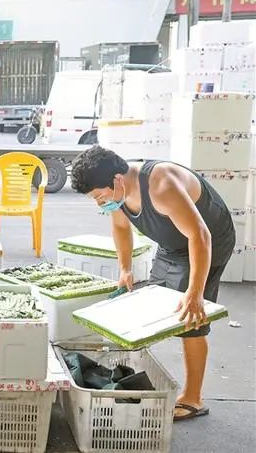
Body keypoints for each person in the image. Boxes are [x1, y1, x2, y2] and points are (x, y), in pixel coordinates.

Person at [71, 146, 236, 422]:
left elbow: (200, 236)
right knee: (156, 302)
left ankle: (194, 398)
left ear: (116, 180)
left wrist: (195, 292)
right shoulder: (118, 194)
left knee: (190, 319)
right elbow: (121, 228)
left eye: (100, 197)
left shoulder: (160, 185)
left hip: (208, 242)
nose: (100, 204)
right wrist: (125, 269)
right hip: (172, 244)